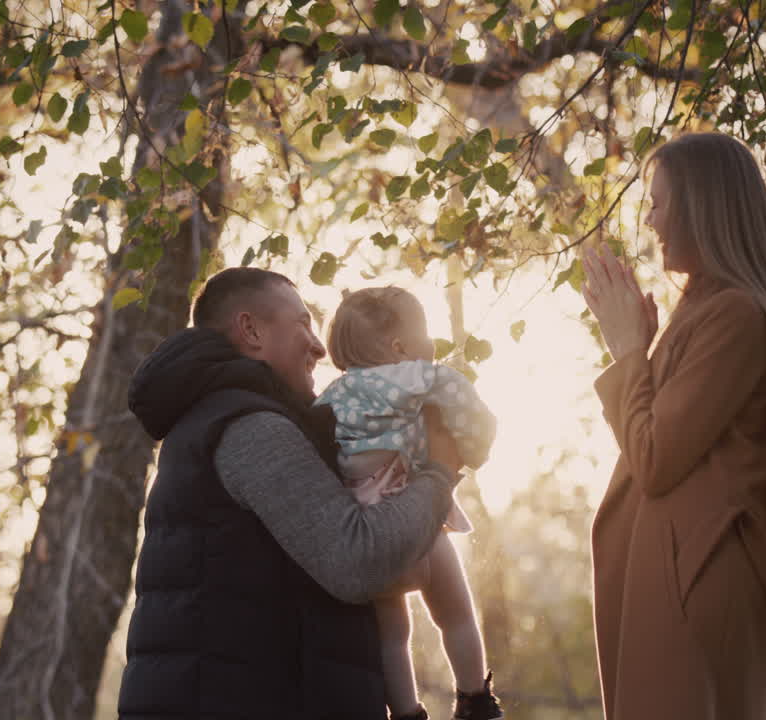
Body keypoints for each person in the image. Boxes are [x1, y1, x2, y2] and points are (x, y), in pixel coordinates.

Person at [117, 268, 461, 719]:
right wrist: (439, 471)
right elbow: (356, 562)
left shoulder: (226, 420)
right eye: (301, 323)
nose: (319, 346)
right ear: (251, 330)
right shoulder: (249, 429)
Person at [582, 132, 766, 719]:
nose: (649, 220)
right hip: (672, 582)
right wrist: (637, 351)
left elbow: (653, 460)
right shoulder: (703, 310)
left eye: (657, 202)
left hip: (695, 584)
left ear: (701, 206)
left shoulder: (736, 314)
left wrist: (629, 354)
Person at [314, 287, 504, 720]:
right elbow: (474, 417)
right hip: (418, 518)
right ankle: (475, 698)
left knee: (392, 633)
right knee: (456, 614)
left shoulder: (328, 398)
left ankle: (405, 711)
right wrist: (474, 451)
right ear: (399, 346)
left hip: (370, 526)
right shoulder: (425, 376)